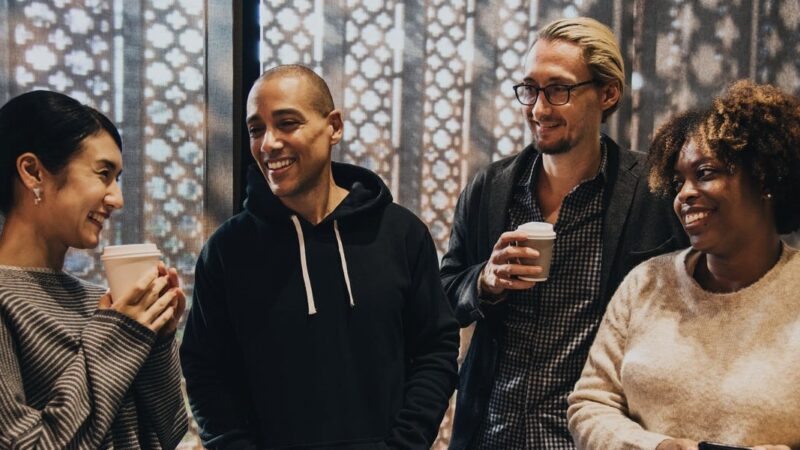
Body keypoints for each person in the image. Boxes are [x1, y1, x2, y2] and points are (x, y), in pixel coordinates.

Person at [180, 64, 460, 450]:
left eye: (287, 123)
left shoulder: (400, 233)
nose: (268, 143)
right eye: (256, 129)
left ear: (334, 126)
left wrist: (405, 443)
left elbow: (435, 348)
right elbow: (205, 372)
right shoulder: (228, 250)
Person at [440, 17, 687, 449]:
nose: (537, 109)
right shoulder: (491, 190)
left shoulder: (654, 192)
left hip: (586, 437)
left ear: (607, 93)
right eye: (529, 89)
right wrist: (485, 281)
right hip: (491, 432)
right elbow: (443, 296)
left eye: (558, 90)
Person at [567, 80, 800, 450]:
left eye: (705, 173)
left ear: (764, 177)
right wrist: (658, 448)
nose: (684, 195)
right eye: (678, 181)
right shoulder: (646, 283)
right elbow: (590, 404)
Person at [0, 90, 188, 448]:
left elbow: (166, 432)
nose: (117, 198)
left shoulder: (99, 302)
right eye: (103, 174)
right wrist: (119, 336)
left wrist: (159, 339)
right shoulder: (9, 302)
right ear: (32, 172)